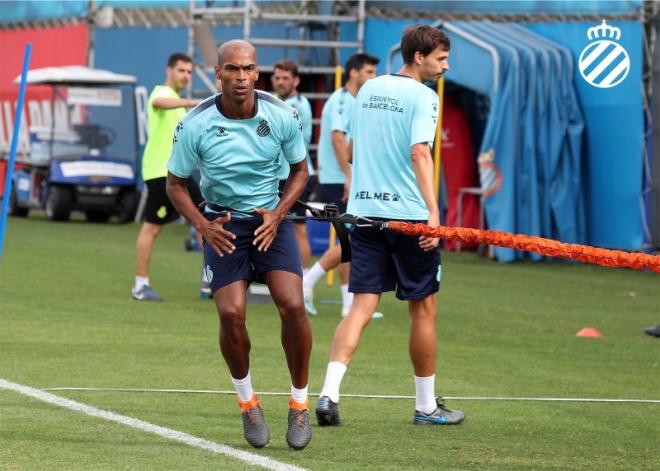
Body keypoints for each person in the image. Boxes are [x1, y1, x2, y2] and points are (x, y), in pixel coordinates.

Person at [166, 40, 313, 450]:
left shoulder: (282, 116)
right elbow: (174, 185)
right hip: (224, 225)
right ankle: (248, 402)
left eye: (249, 69)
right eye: (232, 69)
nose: (242, 77)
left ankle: (300, 404)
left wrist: (279, 213)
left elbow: (301, 171)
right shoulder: (195, 124)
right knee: (231, 313)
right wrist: (202, 225)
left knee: (293, 304)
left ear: (257, 73)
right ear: (218, 74)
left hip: (270, 221)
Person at [315, 25, 465, 428]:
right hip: (410, 220)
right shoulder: (423, 96)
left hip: (364, 215)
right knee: (424, 309)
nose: (445, 67)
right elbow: (420, 151)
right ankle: (426, 406)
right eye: (441, 59)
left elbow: (349, 147)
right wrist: (434, 213)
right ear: (419, 57)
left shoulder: (367, 90)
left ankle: (329, 393)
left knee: (362, 305)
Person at [302, 53, 379, 317]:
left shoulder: (359, 101)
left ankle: (348, 305)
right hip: (336, 181)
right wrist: (349, 176)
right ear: (354, 73)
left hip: (347, 180)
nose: (374, 77)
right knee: (353, 241)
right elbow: (337, 140)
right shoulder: (341, 101)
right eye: (369, 72)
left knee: (350, 240)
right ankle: (307, 282)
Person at [132, 52, 202, 301]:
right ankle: (140, 286)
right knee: (153, 228)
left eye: (189, 72)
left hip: (178, 174)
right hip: (160, 174)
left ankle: (214, 281)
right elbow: (159, 103)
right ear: (169, 71)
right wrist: (191, 102)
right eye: (181, 70)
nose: (185, 76)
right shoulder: (161, 93)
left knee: (208, 220)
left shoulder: (179, 104)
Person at [271, 59, 315, 270]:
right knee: (274, 225)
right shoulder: (274, 102)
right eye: (277, 77)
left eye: (285, 78)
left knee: (297, 228)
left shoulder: (298, 105)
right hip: (278, 176)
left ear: (296, 81)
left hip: (295, 175)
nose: (281, 82)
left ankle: (304, 282)